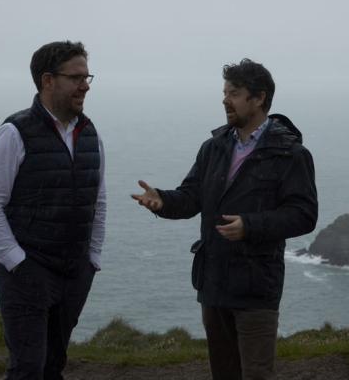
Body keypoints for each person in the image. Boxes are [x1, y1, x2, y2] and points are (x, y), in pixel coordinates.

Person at [131, 58, 317, 380]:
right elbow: (191, 197)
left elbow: (303, 215)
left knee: (255, 375)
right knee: (224, 374)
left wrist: (251, 225)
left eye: (234, 93)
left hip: (256, 287)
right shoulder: (213, 147)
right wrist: (163, 201)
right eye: (224, 92)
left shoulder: (291, 154)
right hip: (214, 283)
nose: (225, 100)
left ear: (258, 99)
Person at [0, 40, 106, 380]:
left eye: (87, 76)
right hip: (27, 272)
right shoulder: (14, 133)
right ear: (48, 80)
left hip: (74, 272)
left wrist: (91, 259)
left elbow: (98, 201)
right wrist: (18, 263)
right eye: (76, 77)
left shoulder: (89, 133)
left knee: (53, 365)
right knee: (28, 368)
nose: (85, 85)